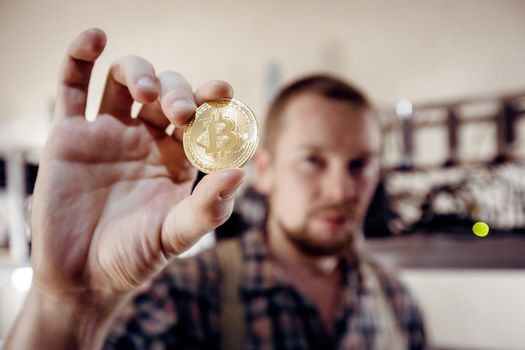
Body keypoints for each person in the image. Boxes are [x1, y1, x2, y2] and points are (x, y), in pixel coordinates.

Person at [4, 28, 426, 349]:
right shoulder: (186, 295)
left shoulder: (395, 299)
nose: (340, 189)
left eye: (360, 164)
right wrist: (69, 303)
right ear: (266, 169)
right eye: (312, 160)